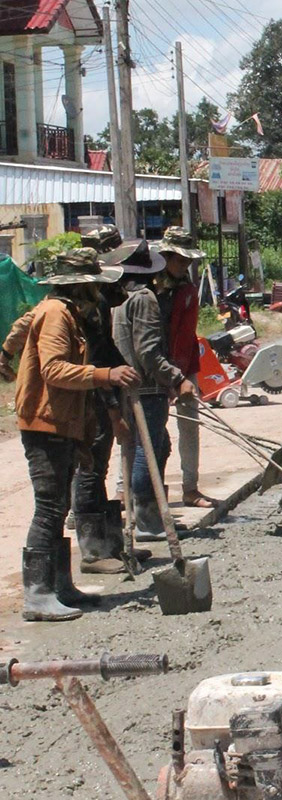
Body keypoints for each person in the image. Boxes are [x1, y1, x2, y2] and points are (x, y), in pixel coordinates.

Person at [16, 248, 139, 621]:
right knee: (49, 508)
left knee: (58, 506)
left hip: (62, 421)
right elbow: (54, 370)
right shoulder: (56, 314)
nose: (98, 292)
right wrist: (105, 375)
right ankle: (38, 595)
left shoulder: (70, 314)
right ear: (80, 286)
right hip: (45, 422)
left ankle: (58, 585)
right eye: (93, 285)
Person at [112, 241, 196, 541]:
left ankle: (153, 515)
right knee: (147, 450)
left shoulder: (120, 297)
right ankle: (147, 521)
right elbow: (148, 351)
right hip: (146, 386)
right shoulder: (145, 298)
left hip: (128, 385)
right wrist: (176, 378)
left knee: (157, 447)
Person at [156, 227, 214, 509]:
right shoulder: (148, 290)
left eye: (188, 261)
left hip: (184, 369)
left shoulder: (188, 290)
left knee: (190, 427)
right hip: (153, 367)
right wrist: (166, 376)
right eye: (180, 260)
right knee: (148, 431)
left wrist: (181, 378)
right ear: (165, 256)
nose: (185, 265)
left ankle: (190, 488)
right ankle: (129, 490)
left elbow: (186, 335)